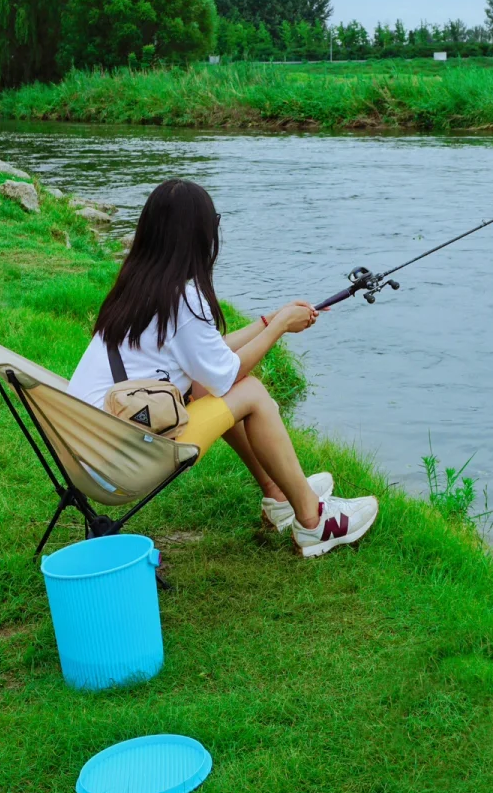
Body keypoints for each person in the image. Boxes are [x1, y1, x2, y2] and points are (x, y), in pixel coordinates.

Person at [68, 178, 379, 558]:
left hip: (88, 451)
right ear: (199, 235)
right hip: (121, 464)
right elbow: (225, 374)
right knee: (249, 391)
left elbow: (208, 359)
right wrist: (281, 327)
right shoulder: (183, 299)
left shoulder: (138, 285)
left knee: (212, 387)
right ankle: (314, 522)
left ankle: (279, 496)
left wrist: (269, 320)